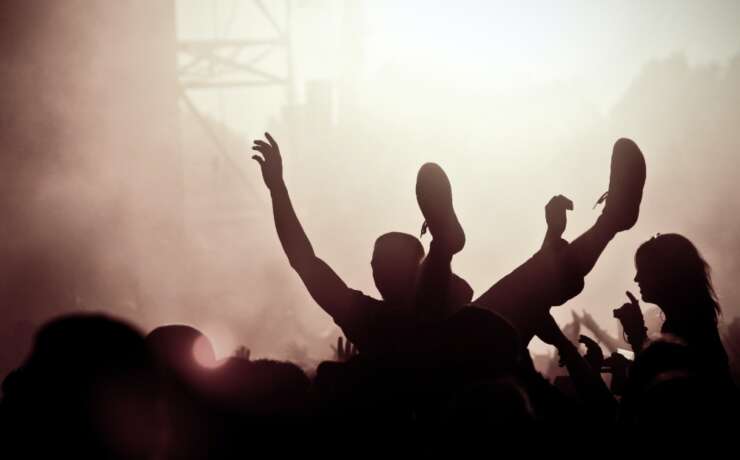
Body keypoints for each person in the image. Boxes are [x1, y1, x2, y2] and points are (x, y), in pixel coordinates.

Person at [251, 133, 470, 356]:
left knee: (427, 310)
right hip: (445, 333)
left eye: (381, 263)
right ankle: (441, 248)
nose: (374, 268)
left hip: (412, 345)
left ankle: (442, 248)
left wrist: (277, 189)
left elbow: (304, 261)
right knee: (434, 308)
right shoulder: (453, 310)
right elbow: (304, 262)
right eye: (375, 263)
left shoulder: (368, 318)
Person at [473, 138, 646, 343]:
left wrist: (552, 237)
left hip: (469, 339)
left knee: (500, 305)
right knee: (490, 313)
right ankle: (611, 221)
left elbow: (528, 301)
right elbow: (529, 301)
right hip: (468, 343)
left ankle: (611, 221)